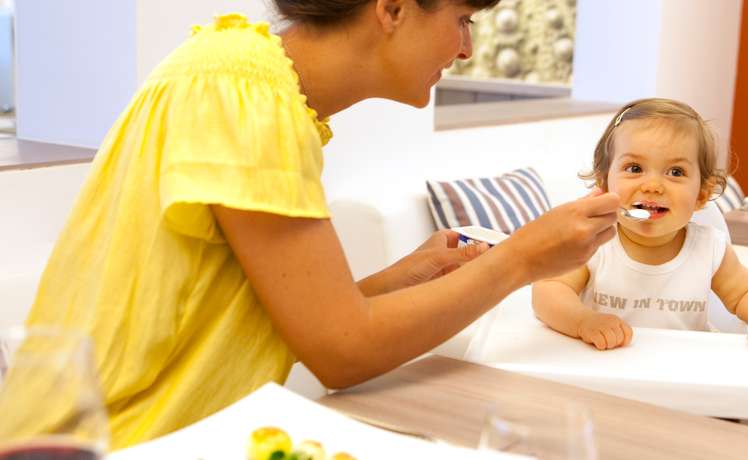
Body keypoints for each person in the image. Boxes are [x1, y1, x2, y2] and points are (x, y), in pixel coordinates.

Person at [25, 0, 620, 449]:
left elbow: (276, 324)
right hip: (131, 441)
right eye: (463, 19)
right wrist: (517, 259)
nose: (466, 49)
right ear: (390, 8)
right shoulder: (243, 92)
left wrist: (405, 277)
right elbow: (342, 352)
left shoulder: (249, 80)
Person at [532, 98, 748, 351]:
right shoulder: (595, 243)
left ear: (700, 196)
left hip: (683, 375)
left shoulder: (708, 247)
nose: (653, 186)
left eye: (676, 172)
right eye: (635, 168)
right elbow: (548, 291)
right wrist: (583, 322)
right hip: (606, 366)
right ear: (604, 183)